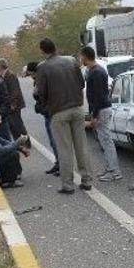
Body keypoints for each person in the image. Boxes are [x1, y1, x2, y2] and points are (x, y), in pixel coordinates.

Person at [35, 38, 93, 194]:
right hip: (77, 108)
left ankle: (67, 184)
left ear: (42, 50)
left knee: (64, 149)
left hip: (59, 111)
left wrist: (46, 103)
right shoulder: (72, 61)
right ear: (55, 48)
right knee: (81, 146)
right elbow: (81, 83)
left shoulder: (43, 67)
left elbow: (41, 93)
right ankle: (86, 180)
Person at [81, 46, 121, 181]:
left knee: (106, 141)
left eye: (82, 57)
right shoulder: (95, 70)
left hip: (102, 110)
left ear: (86, 56)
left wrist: (95, 115)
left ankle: (114, 172)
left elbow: (98, 96)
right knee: (104, 141)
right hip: (102, 109)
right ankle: (110, 168)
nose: (81, 59)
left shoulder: (96, 72)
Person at [27, 62, 59, 175]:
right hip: (46, 113)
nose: (31, 76)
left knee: (56, 141)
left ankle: (62, 164)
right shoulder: (37, 81)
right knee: (52, 141)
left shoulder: (44, 80)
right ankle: (58, 162)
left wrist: (42, 107)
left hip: (51, 113)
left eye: (31, 74)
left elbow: (47, 97)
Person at [0, 58, 29, 142]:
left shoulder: (10, 75)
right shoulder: (4, 75)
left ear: (1, 66)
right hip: (11, 104)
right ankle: (18, 141)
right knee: (12, 125)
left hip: (14, 104)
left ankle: (26, 141)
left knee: (18, 124)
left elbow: (15, 91)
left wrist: (13, 104)